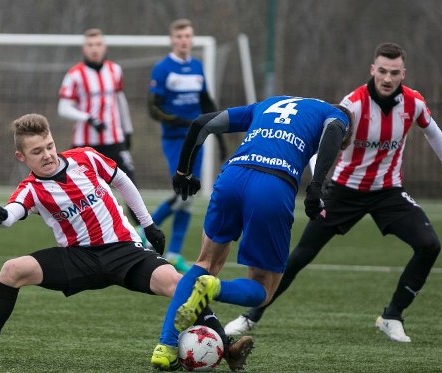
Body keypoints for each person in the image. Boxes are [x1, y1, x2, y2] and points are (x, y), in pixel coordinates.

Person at [0, 114, 252, 370]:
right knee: (12, 270)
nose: (47, 154)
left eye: (49, 146)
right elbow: (15, 211)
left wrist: (148, 224)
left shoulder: (86, 158)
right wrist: (2, 215)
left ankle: (228, 347)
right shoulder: (32, 188)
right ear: (21, 157)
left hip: (125, 252)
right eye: (37, 152)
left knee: (179, 283)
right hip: (79, 259)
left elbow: (121, 181)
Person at [224, 42, 442, 343]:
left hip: (387, 192)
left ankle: (392, 315)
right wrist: (319, 183)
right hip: (342, 191)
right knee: (300, 255)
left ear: (403, 73)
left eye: (394, 72)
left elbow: (433, 132)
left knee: (429, 245)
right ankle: (251, 316)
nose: (387, 78)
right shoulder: (352, 104)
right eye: (382, 71)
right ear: (372, 70)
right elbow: (321, 141)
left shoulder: (413, 103)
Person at [150, 96, 353, 371]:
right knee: (263, 288)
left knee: (205, 263)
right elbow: (332, 131)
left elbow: (202, 123)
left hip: (232, 177)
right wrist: (316, 188)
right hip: (272, 186)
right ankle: (214, 288)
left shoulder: (269, 103)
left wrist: (183, 171)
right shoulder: (335, 115)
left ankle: (165, 347)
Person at [147, 18, 227, 273]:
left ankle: (174, 252)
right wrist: (180, 121)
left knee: (189, 195)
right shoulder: (162, 69)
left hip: (198, 139)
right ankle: (145, 229)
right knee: (180, 187)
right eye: (180, 36)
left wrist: (222, 136)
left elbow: (206, 102)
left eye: (188, 36)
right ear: (173, 40)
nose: (184, 41)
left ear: (192, 39)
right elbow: (153, 108)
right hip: (174, 139)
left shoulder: (197, 67)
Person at [58, 28, 144, 236]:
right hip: (83, 144)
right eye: (90, 45)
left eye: (98, 44)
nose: (94, 49)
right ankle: (80, 234)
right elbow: (63, 108)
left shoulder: (115, 70)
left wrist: (128, 130)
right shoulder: (74, 75)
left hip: (114, 140)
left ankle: (145, 233)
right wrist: (88, 118)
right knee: (76, 191)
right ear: (83, 48)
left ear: (104, 47)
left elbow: (120, 101)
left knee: (129, 184)